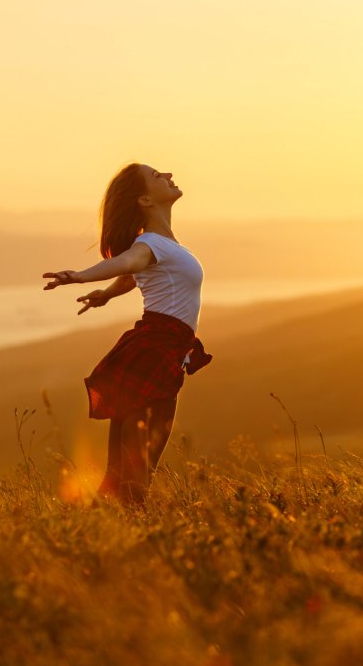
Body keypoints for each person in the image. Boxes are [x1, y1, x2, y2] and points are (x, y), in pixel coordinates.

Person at [43, 163, 211, 505]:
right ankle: (122, 538)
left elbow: (134, 276)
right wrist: (80, 276)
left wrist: (106, 293)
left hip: (156, 349)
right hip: (155, 351)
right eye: (156, 175)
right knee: (136, 470)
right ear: (146, 200)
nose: (168, 174)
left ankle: (102, 530)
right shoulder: (149, 244)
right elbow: (129, 263)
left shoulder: (164, 245)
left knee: (125, 470)